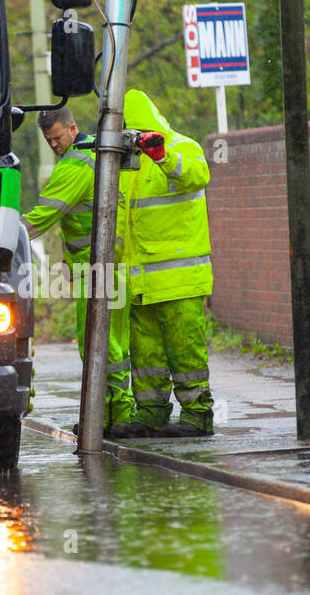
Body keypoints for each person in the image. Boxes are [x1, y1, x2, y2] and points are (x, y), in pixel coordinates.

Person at [22, 107, 136, 434]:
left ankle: (110, 417)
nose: (54, 145)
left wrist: (3, 234)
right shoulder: (96, 155)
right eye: (48, 140)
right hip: (110, 265)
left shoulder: (75, 165)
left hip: (96, 268)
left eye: (57, 137)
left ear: (72, 128)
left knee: (98, 344)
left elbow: (45, 214)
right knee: (113, 341)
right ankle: (115, 414)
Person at [113, 89, 215, 438]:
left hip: (180, 280)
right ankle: (151, 414)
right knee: (146, 357)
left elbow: (197, 175)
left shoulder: (181, 147)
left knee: (185, 350)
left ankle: (198, 415)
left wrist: (162, 157)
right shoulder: (126, 164)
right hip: (141, 283)